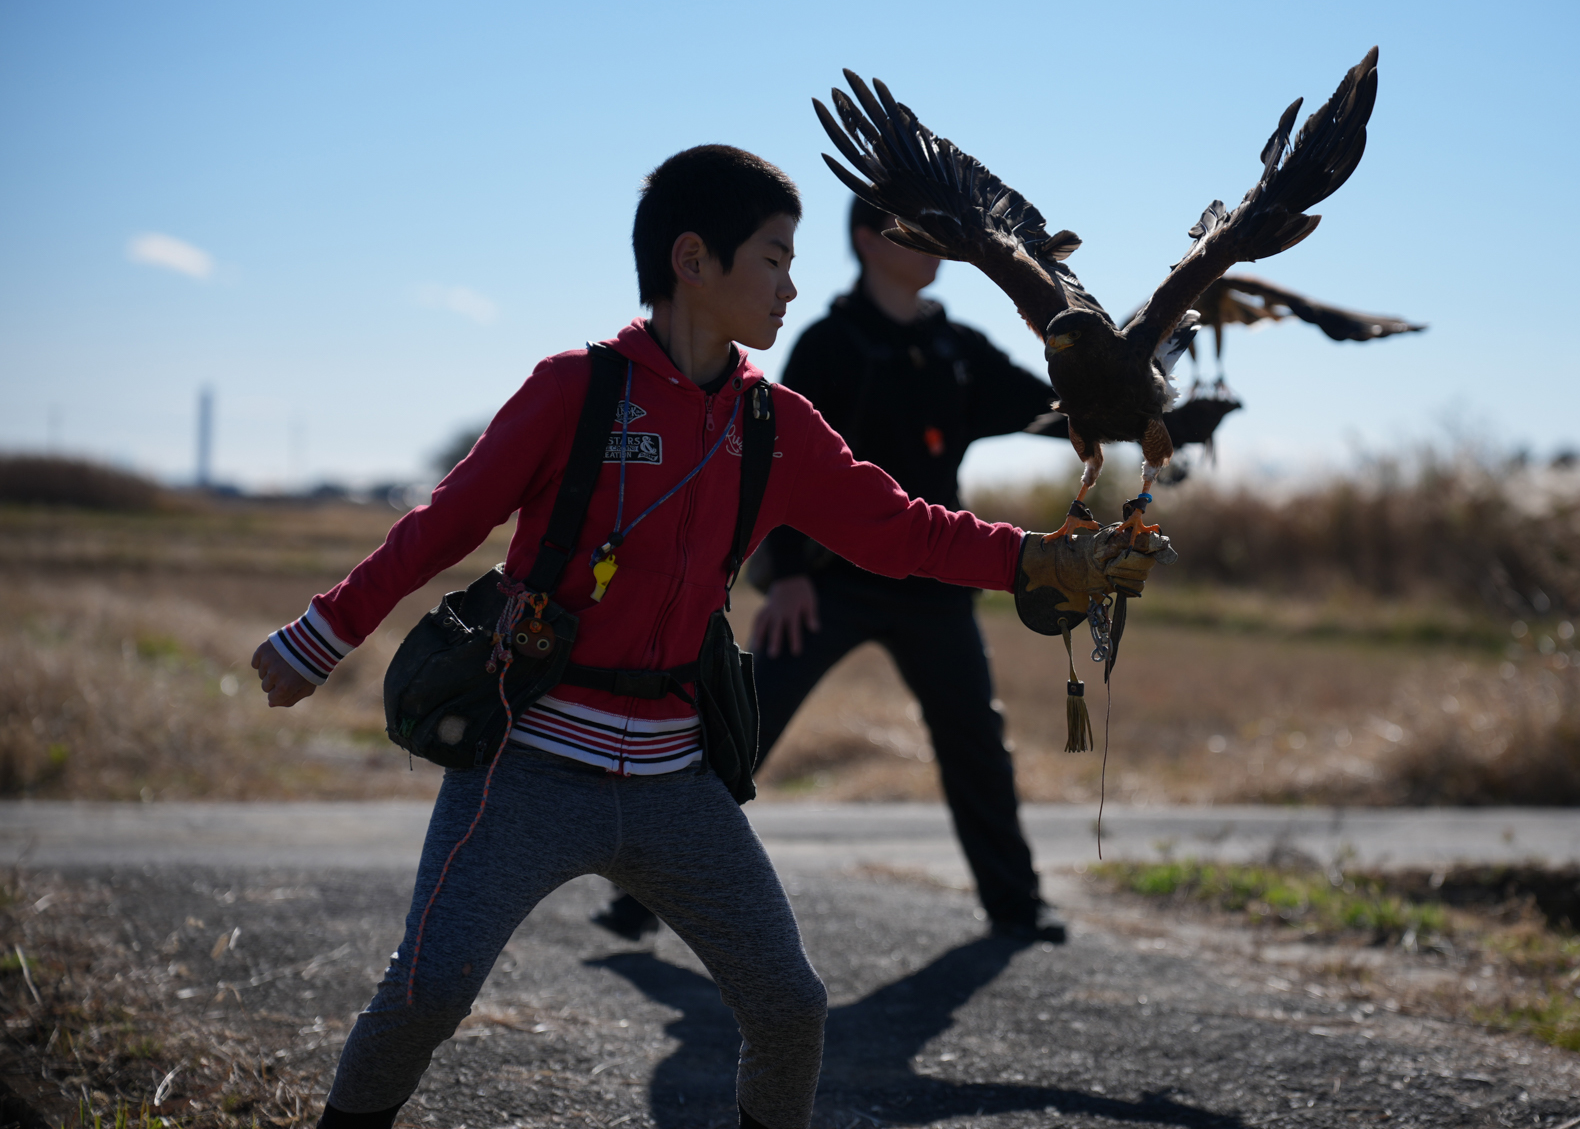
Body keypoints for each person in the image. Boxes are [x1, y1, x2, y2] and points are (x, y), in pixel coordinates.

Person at [249, 146, 1164, 1129]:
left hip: (676, 785)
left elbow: (900, 527)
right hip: (524, 765)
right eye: (774, 256)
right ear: (693, 258)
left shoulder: (776, 423)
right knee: (429, 992)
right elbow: (445, 522)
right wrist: (320, 633)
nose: (792, 281)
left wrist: (1038, 560)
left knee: (791, 1008)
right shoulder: (575, 390)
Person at [591, 195, 1069, 947]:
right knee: (740, 732)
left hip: (933, 584)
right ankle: (638, 896)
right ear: (865, 241)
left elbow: (1055, 406)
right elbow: (769, 466)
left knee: (975, 740)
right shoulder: (829, 345)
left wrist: (1145, 412)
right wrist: (783, 576)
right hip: (824, 586)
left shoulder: (958, 349)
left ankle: (1017, 907)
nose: (936, 246)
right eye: (919, 230)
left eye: (942, 233)